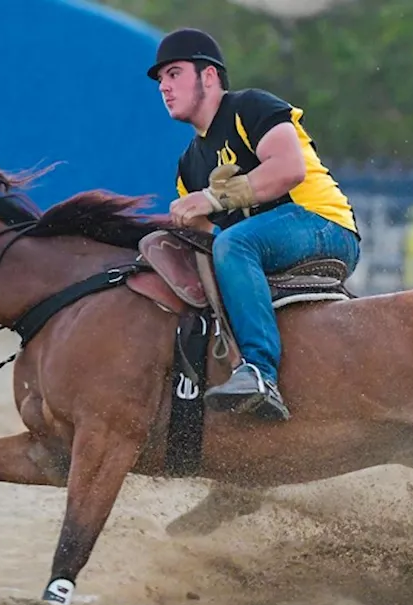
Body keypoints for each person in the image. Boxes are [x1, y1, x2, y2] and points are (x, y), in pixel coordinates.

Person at [150, 27, 362, 421]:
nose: (164, 86)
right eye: (161, 80)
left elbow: (288, 169)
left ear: (208, 76)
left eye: (174, 73)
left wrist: (212, 199)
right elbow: (207, 240)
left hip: (324, 225)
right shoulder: (188, 165)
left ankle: (260, 373)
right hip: (262, 246)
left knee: (235, 244)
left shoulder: (251, 106)